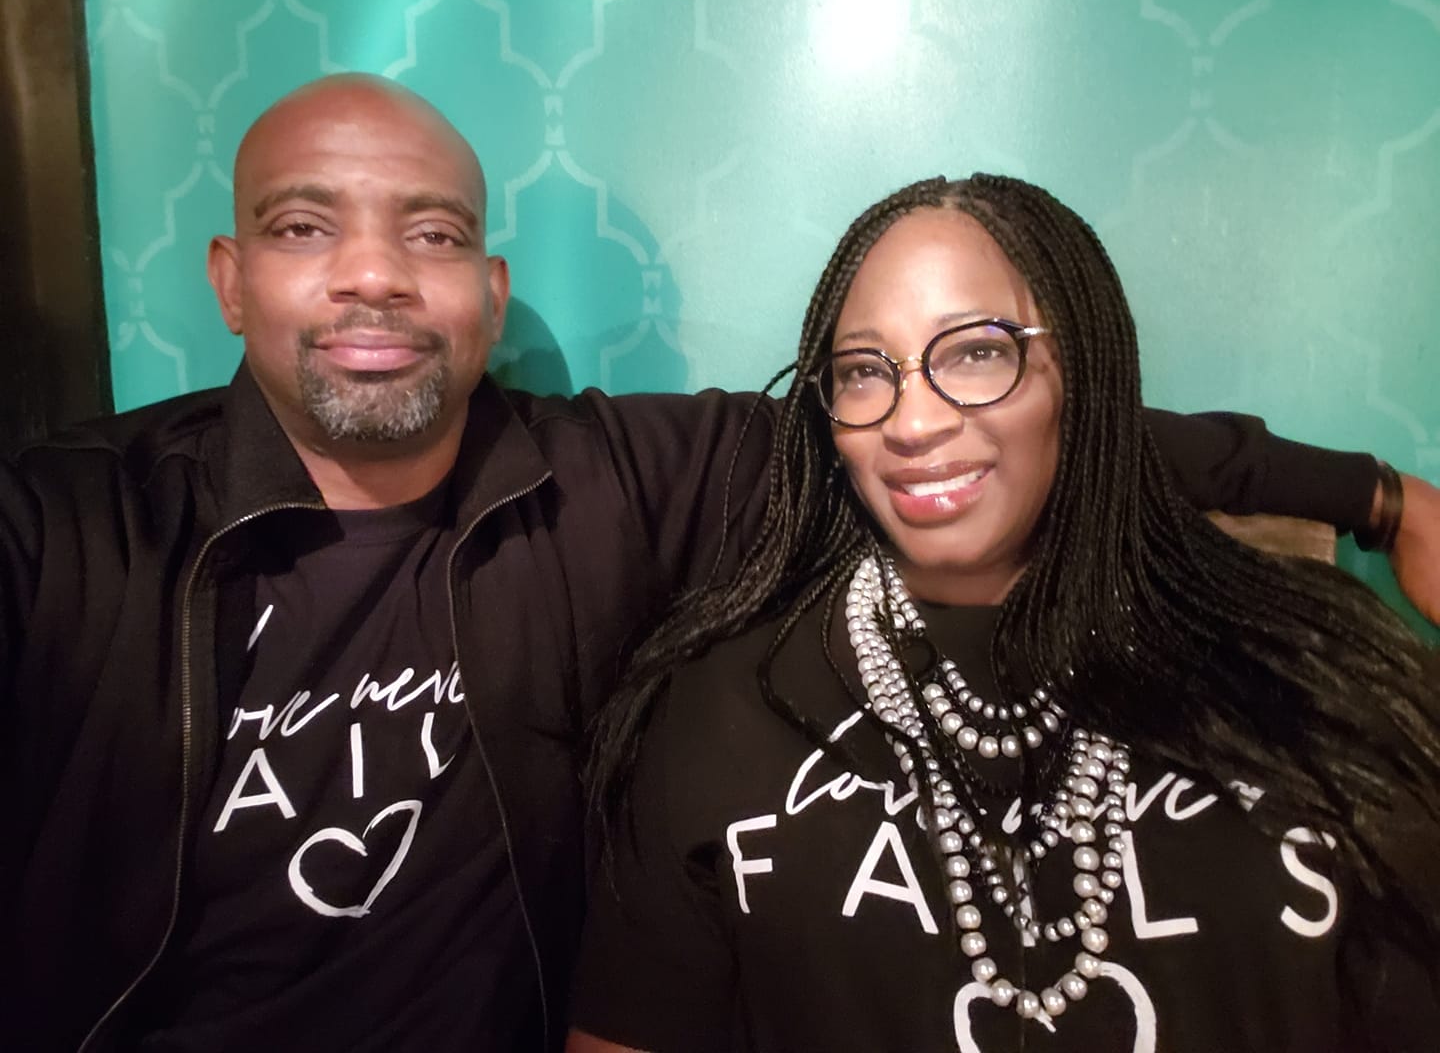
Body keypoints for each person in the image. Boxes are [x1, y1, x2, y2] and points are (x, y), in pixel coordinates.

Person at [0, 75, 1432, 1053]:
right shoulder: (65, 530)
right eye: (304, 226)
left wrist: (1374, 496)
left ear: (489, 294)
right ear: (228, 277)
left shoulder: (614, 480)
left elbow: (1009, 431)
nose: (374, 273)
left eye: (430, 233)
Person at [567, 176, 1440, 1052]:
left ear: (1084, 369)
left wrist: (1384, 496)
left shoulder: (1313, 672)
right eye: (866, 372)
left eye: (977, 353)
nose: (912, 422)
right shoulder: (717, 715)